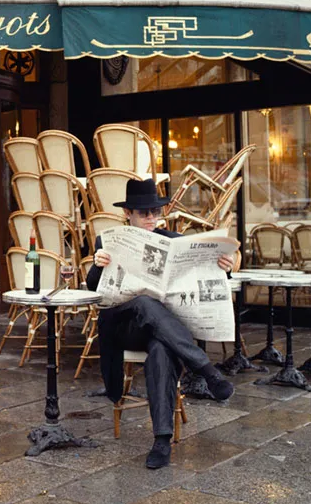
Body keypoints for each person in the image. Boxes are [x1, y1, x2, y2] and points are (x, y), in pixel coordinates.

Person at [86, 178, 236, 470]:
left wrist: (223, 268)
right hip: (124, 327)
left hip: (159, 331)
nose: (152, 219)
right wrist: (97, 265)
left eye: (156, 212)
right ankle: (206, 370)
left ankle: (161, 441)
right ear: (128, 213)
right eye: (144, 213)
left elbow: (205, 278)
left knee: (161, 349)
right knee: (143, 303)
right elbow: (93, 289)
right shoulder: (108, 242)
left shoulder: (173, 242)